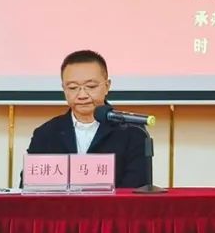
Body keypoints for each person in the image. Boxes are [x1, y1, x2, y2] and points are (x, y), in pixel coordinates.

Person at [24, 49, 147, 189]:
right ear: (64, 89)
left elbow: (135, 189)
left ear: (107, 86)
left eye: (91, 86)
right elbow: (29, 187)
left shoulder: (133, 131)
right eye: (73, 87)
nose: (82, 95)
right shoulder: (45, 134)